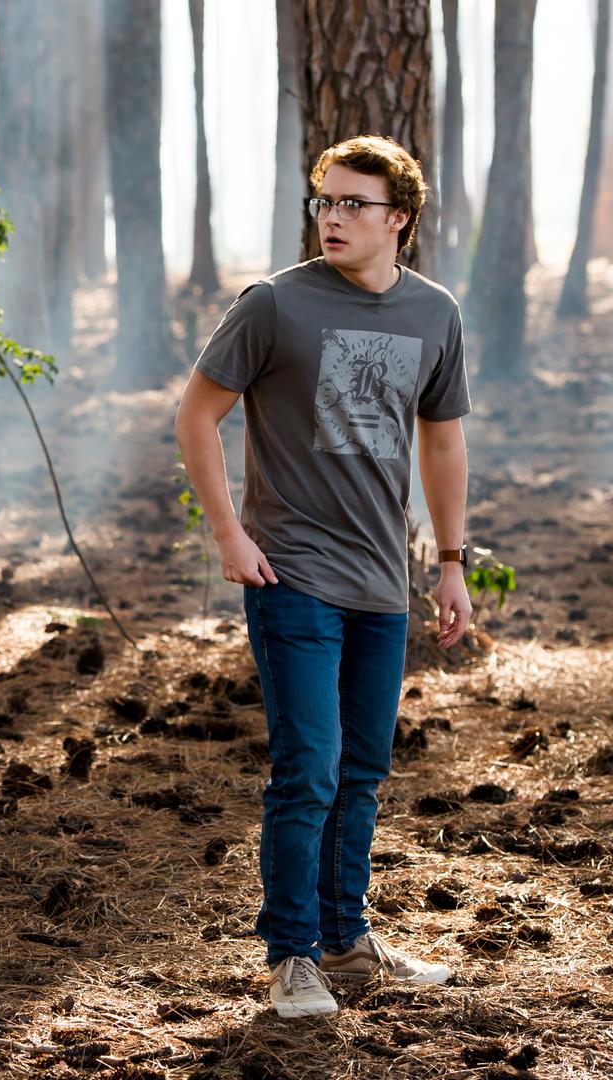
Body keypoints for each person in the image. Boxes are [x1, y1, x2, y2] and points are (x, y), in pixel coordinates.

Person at [173, 134, 474, 1018]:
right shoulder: (275, 304)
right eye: (325, 203)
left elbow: (444, 437)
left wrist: (450, 563)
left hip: (384, 582)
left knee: (365, 770)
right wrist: (228, 535)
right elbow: (196, 417)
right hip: (291, 572)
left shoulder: (434, 313)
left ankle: (347, 942)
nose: (333, 219)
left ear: (400, 221)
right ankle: (292, 956)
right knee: (308, 766)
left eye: (354, 205)